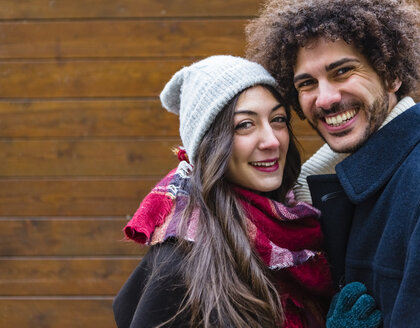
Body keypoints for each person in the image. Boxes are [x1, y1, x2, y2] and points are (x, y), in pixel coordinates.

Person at [245, 0, 420, 327]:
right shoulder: (326, 186)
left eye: (343, 71)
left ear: (392, 75)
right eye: (307, 83)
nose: (326, 98)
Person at [113, 56, 382, 328]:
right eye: (245, 125)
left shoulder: (299, 231)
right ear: (209, 145)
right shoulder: (182, 266)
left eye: (278, 119)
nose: (272, 140)